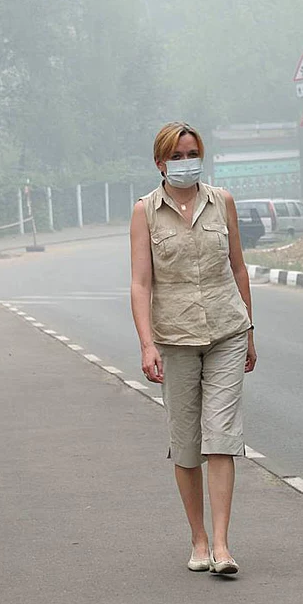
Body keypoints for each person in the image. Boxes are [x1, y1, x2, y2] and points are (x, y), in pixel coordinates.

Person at [129, 121, 257, 576]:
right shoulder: (145, 211)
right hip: (175, 339)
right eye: (177, 156)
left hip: (226, 331)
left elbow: (238, 268)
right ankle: (198, 539)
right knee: (186, 446)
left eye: (192, 154)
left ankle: (222, 545)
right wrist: (147, 344)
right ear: (160, 162)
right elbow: (141, 282)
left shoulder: (222, 202)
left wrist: (250, 330)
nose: (186, 163)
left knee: (221, 438)